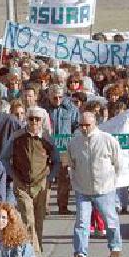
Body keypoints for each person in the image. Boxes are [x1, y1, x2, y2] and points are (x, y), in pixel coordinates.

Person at [68, 109, 125, 257]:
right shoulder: (74, 143)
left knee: (110, 220)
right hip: (82, 189)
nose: (84, 128)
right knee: (81, 223)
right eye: (81, 125)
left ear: (95, 124)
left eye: (88, 125)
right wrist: (75, 182)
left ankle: (115, 247)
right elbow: (71, 164)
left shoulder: (107, 140)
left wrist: (114, 182)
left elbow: (118, 162)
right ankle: (80, 253)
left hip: (104, 188)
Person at [6, 106, 59, 253]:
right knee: (28, 219)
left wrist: (49, 179)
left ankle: (38, 247)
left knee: (38, 219)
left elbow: (56, 161)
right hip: (22, 184)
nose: (34, 122)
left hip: (41, 184)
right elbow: (4, 158)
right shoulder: (17, 137)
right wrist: (14, 177)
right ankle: (33, 254)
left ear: (42, 121)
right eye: (31, 118)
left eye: (37, 119)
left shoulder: (47, 138)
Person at [44, 85, 79, 215]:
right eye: (54, 97)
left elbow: (76, 126)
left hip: (64, 148)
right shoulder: (44, 109)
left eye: (60, 97)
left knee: (64, 179)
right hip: (47, 148)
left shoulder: (71, 109)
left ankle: (63, 207)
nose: (58, 99)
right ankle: (44, 208)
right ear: (49, 96)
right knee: (46, 178)